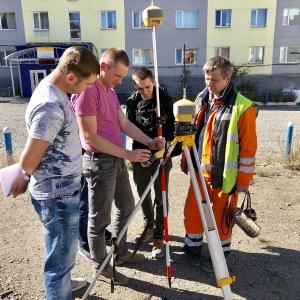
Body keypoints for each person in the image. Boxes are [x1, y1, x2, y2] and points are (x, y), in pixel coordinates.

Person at [10, 46, 100, 299]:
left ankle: (64, 285)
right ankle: (59, 289)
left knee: (62, 252)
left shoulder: (53, 88)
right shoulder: (50, 106)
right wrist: (25, 175)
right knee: (59, 260)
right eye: (87, 83)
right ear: (71, 77)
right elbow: (29, 159)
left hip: (62, 190)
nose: (88, 89)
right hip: (57, 196)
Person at [70, 48, 165, 285]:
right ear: (103, 66)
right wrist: (128, 154)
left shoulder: (110, 92)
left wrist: (149, 141)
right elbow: (89, 138)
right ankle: (100, 265)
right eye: (117, 75)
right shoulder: (87, 91)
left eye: (123, 77)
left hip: (116, 159)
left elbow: (123, 123)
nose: (120, 81)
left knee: (126, 206)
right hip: (99, 162)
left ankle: (118, 252)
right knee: (99, 219)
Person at [170, 56, 258, 272]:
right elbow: (190, 132)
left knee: (220, 221)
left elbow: (248, 151)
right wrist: (185, 159)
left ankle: (219, 257)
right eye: (207, 78)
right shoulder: (201, 100)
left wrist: (243, 181)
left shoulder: (242, 108)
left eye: (215, 80)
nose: (209, 83)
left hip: (223, 178)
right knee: (192, 213)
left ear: (228, 78)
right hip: (198, 172)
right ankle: (192, 248)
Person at [126, 67, 178, 259]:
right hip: (140, 154)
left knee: (160, 195)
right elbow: (129, 128)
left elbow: (176, 129)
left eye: (148, 87)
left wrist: (169, 146)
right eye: (140, 88)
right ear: (134, 86)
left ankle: (159, 234)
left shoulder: (165, 99)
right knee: (142, 192)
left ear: (154, 81)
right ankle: (148, 224)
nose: (145, 91)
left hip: (162, 155)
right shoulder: (131, 103)